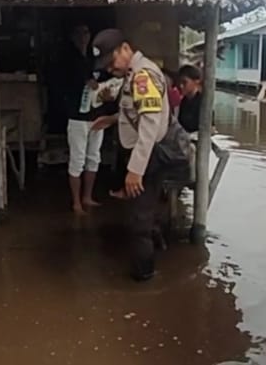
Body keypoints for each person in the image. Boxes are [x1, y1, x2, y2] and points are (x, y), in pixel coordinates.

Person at [90, 29, 190, 281]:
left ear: (125, 48)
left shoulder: (142, 76)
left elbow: (150, 125)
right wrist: (113, 119)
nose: (110, 68)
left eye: (111, 61)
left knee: (139, 222)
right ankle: (155, 249)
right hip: (145, 155)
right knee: (142, 212)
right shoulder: (134, 73)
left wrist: (136, 170)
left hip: (149, 157)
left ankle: (144, 277)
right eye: (106, 65)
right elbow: (137, 111)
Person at [59, 23, 104, 214]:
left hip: (95, 114)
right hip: (77, 115)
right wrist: (85, 83)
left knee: (94, 157)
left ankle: (87, 196)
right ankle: (76, 202)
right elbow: (64, 83)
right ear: (73, 36)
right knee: (77, 159)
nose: (83, 36)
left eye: (86, 32)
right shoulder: (68, 59)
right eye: (79, 33)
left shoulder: (94, 58)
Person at [177, 64, 203, 134]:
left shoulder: (203, 102)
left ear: (196, 82)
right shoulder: (184, 101)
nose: (181, 86)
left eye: (185, 82)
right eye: (180, 82)